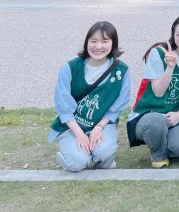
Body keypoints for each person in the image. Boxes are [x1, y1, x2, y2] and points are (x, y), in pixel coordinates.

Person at [50, 21, 130, 172]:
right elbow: (63, 107)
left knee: (103, 151)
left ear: (113, 44)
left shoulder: (122, 70)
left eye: (105, 41)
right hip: (73, 126)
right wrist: (80, 134)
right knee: (77, 162)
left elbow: (119, 105)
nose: (98, 46)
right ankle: (76, 156)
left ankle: (102, 155)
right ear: (87, 42)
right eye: (93, 41)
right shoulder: (70, 67)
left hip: (102, 124)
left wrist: (99, 127)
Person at [128, 15, 179, 167]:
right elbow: (158, 92)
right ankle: (158, 154)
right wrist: (170, 67)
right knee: (156, 122)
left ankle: (160, 140)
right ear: (173, 35)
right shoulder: (158, 53)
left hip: (176, 114)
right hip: (149, 114)